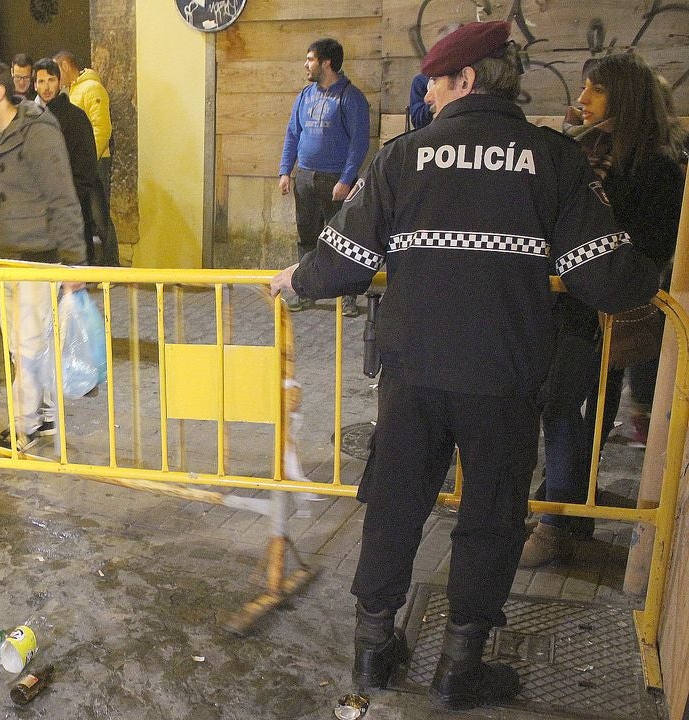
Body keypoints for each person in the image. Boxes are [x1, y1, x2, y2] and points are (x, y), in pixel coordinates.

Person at [271, 21, 658, 711]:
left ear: (466, 80)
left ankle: (373, 654)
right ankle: (459, 669)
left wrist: (294, 282)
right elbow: (611, 282)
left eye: (434, 80)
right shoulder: (554, 161)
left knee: (393, 508)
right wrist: (655, 277)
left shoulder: (401, 158)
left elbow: (342, 264)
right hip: (504, 379)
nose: (428, 90)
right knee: (492, 516)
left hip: (412, 372)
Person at [521, 52, 686, 567]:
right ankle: (574, 511)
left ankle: (553, 527)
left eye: (596, 90)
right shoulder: (584, 151)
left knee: (568, 412)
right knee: (582, 412)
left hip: (604, 310)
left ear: (626, 99)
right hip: (574, 309)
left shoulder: (655, 165)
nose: (582, 98)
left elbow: (656, 243)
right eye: (584, 88)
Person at [0, 58, 85, 450]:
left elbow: (63, 197)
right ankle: (43, 416)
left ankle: (23, 425)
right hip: (3, 256)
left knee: (27, 347)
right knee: (21, 345)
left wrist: (75, 261)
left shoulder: (37, 132)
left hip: (36, 256)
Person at [276, 37, 370, 316]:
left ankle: (347, 297)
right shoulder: (305, 96)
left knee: (342, 239)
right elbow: (293, 135)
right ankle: (304, 291)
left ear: (326, 63)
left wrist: (346, 179)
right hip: (304, 178)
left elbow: (359, 143)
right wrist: (285, 171)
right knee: (306, 237)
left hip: (335, 180)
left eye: (310, 59)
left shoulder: (351, 98)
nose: (306, 64)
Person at [34, 57, 119, 266]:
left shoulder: (75, 115)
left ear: (59, 79)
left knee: (96, 224)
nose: (46, 87)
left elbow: (93, 144)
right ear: (34, 84)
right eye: (41, 81)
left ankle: (108, 267)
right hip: (43, 200)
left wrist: (75, 189)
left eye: (51, 80)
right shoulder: (30, 117)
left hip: (72, 193)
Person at [53, 50, 113, 206]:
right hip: (81, 162)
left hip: (95, 162)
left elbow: (101, 128)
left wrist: (89, 160)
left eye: (56, 70)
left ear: (64, 66)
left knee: (98, 212)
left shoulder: (91, 88)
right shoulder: (72, 90)